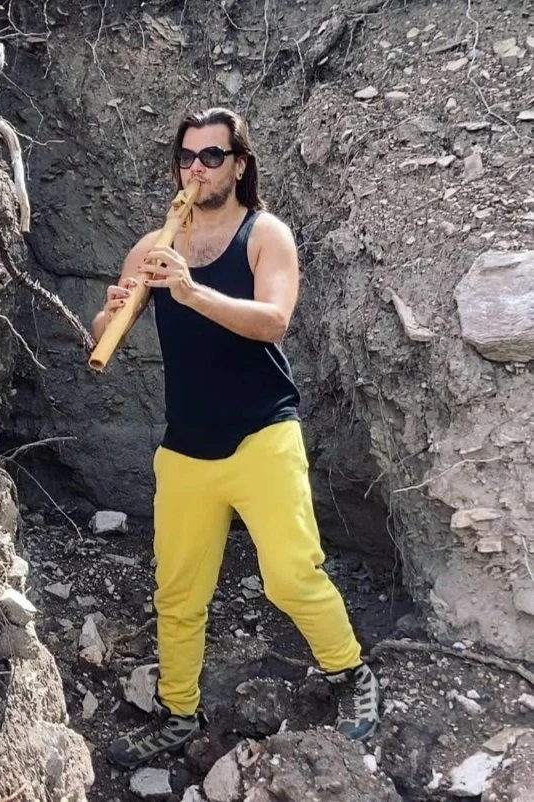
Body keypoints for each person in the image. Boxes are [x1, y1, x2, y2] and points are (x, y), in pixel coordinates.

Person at [92, 107, 380, 770]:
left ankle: (351, 674)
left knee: (290, 575)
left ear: (239, 165)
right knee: (179, 592)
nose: (197, 167)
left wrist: (191, 293)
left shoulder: (264, 234)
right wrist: (108, 313)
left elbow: (273, 320)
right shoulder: (153, 245)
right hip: (187, 446)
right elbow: (101, 335)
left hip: (262, 434)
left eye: (212, 156)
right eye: (187, 156)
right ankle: (178, 713)